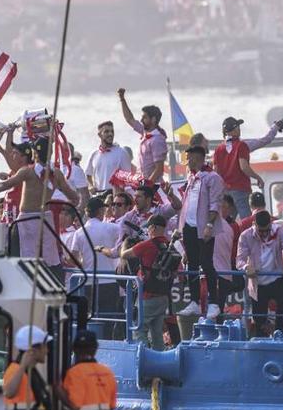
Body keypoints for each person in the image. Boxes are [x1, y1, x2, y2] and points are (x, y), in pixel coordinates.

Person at [0, 137, 80, 268]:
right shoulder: (57, 174)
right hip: (45, 221)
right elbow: (75, 198)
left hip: (26, 221)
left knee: (18, 262)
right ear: (49, 153)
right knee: (47, 261)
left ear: (34, 154)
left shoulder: (27, 172)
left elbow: (3, 185)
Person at [175, 145, 225, 318]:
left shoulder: (212, 177)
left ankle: (213, 302)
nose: (187, 161)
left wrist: (209, 225)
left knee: (206, 262)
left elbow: (215, 203)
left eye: (188, 158)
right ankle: (194, 301)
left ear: (196, 158)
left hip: (203, 227)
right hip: (189, 226)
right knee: (192, 264)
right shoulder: (191, 177)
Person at [65, 196, 124, 334]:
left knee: (92, 319)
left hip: (89, 281)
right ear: (100, 211)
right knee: (109, 321)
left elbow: (70, 257)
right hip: (109, 280)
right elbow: (126, 235)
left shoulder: (79, 233)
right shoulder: (111, 228)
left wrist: (83, 265)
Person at [237, 210, 283, 335]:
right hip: (257, 283)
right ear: (254, 225)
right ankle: (262, 342)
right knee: (259, 320)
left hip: (276, 278)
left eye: (267, 230)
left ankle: (279, 332)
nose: (264, 234)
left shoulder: (279, 231)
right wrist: (246, 267)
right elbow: (239, 260)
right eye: (261, 231)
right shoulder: (245, 236)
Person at [212, 116, 283, 218]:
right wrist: (258, 178)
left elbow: (216, 172)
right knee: (246, 220)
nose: (239, 129)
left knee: (228, 221)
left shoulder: (218, 149)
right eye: (237, 127)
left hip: (225, 191)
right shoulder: (241, 145)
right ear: (234, 129)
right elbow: (244, 167)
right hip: (240, 189)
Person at [121, 214, 174, 350]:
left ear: (153, 227)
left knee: (139, 331)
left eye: (149, 228)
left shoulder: (147, 244)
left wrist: (124, 242)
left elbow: (124, 255)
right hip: (163, 296)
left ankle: (143, 363)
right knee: (157, 334)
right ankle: (160, 365)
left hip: (146, 297)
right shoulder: (170, 246)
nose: (148, 231)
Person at [117, 88, 167, 183]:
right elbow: (130, 119)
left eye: (144, 117)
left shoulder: (157, 140)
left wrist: (147, 186)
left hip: (153, 186)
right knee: (117, 177)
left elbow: (159, 169)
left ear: (153, 120)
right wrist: (122, 99)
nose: (141, 120)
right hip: (143, 182)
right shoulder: (145, 132)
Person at [85, 120, 133, 192]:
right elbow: (88, 174)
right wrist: (91, 186)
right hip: (99, 195)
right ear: (99, 135)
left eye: (112, 131)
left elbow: (128, 178)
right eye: (106, 131)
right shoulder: (94, 154)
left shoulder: (121, 153)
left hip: (115, 196)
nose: (110, 134)